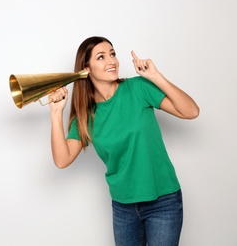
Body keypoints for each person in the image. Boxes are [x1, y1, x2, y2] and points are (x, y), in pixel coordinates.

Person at [48, 36, 199, 246]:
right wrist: (56, 113)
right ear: (86, 69)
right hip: (123, 207)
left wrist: (156, 76)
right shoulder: (86, 116)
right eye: (101, 57)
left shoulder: (138, 88)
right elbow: (62, 160)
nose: (112, 61)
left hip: (163, 202)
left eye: (112, 54)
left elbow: (191, 111)